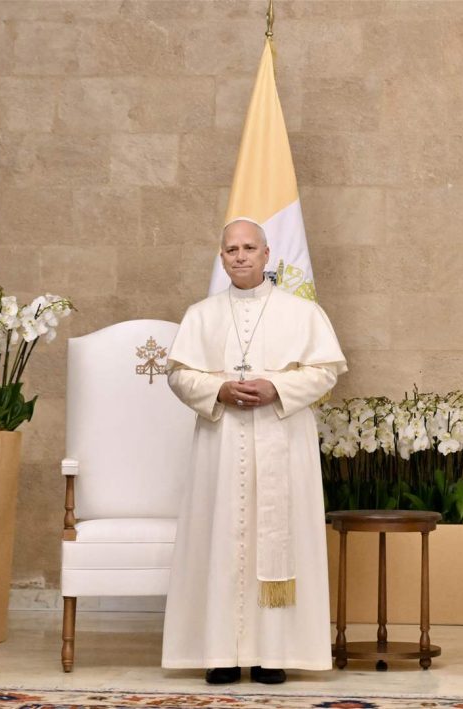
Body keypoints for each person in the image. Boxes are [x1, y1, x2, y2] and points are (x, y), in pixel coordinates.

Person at [161, 217, 347, 685]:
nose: (240, 256)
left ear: (267, 255)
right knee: (221, 540)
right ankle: (220, 653)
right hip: (221, 445)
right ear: (221, 257)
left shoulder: (302, 312)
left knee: (278, 540)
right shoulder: (201, 314)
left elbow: (326, 370)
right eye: (231, 249)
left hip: (282, 437)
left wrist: (276, 387)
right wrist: (219, 390)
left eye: (249, 248)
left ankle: (273, 654)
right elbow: (179, 374)